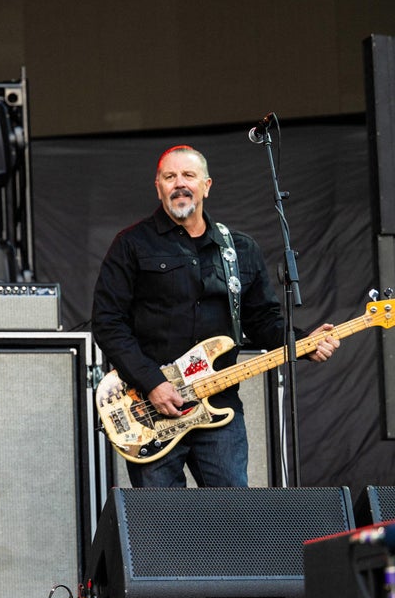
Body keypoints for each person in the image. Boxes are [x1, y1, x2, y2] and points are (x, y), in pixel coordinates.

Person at [91, 144, 339, 487]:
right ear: (158, 186)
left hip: (219, 405)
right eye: (170, 176)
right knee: (162, 524)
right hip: (152, 407)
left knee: (231, 518)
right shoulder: (132, 244)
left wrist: (302, 342)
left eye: (188, 175)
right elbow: (108, 323)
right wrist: (153, 383)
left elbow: (263, 319)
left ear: (206, 185)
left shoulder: (240, 249)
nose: (179, 183)